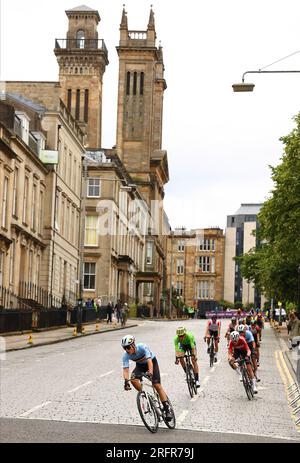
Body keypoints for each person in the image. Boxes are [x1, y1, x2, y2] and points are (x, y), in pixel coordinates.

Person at [121, 334, 173, 421]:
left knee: (157, 385)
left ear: (133, 345)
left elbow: (149, 361)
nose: (126, 350)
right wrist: (126, 381)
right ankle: (146, 395)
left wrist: (150, 372)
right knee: (133, 380)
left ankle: (167, 408)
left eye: (128, 347)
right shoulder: (125, 355)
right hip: (140, 366)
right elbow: (125, 369)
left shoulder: (142, 347)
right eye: (124, 348)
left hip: (152, 363)